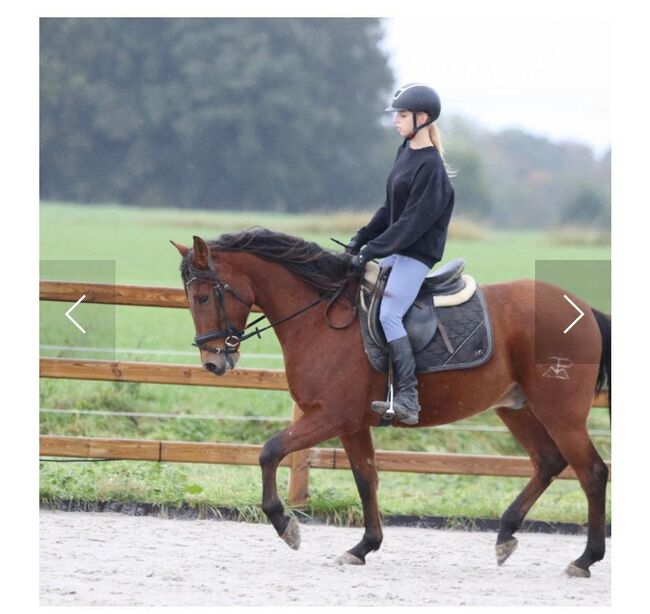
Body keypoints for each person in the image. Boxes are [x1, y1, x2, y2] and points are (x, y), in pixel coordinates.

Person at [346, 83, 455, 425]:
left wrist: (372, 251)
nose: (397, 121)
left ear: (422, 118)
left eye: (403, 115)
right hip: (396, 250)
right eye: (397, 115)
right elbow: (390, 210)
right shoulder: (404, 152)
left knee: (389, 314)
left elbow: (411, 224)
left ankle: (408, 396)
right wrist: (361, 239)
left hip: (416, 255)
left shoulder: (431, 168)